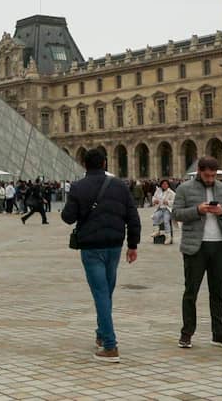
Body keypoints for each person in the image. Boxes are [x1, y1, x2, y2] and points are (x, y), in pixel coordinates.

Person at [62, 148, 140, 363]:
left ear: (84, 164)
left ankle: (110, 346)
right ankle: (101, 333)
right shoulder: (119, 185)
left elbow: (68, 218)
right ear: (105, 163)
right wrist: (133, 245)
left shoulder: (78, 187)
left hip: (91, 247)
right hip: (115, 246)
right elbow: (133, 217)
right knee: (106, 292)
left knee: (101, 294)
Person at [172, 156, 222, 350]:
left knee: (218, 292)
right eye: (207, 175)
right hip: (195, 247)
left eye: (213, 175)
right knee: (191, 292)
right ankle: (186, 334)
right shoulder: (184, 188)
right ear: (199, 171)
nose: (210, 179)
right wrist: (197, 210)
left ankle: (219, 334)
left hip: (220, 246)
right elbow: (176, 213)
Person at [151, 179, 176, 244]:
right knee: (155, 216)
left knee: (166, 221)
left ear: (168, 185)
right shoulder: (158, 191)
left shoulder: (171, 192)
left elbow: (174, 201)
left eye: (166, 184)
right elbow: (154, 197)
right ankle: (156, 231)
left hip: (167, 209)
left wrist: (168, 202)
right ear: (161, 185)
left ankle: (168, 237)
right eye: (163, 184)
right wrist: (154, 201)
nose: (164, 185)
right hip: (160, 208)